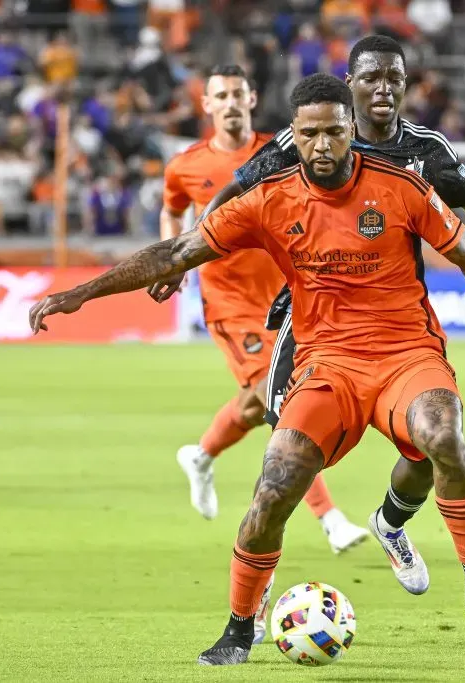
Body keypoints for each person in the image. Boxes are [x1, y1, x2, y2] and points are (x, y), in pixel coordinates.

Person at [28, 73, 465, 666]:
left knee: (443, 436)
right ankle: (239, 628)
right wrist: (80, 295)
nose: (322, 146)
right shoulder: (270, 198)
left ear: (352, 128)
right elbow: (176, 251)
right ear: (292, 137)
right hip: (326, 365)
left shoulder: (401, 186)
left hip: (407, 354)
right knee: (273, 489)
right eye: (308, 135)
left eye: (332, 132)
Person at [148, 34, 465, 597]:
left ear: (406, 84)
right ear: (352, 84)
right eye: (371, 77)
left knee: (432, 446)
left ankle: (390, 523)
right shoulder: (307, 137)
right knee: (282, 449)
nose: (382, 88)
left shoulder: (423, 149)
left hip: (392, 324)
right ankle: (261, 580)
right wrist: (187, 250)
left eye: (393, 77)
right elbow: (236, 193)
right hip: (310, 319)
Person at [159, 64, 369, 553]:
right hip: (228, 301)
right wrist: (176, 255)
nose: (230, 102)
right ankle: (330, 518)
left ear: (252, 99)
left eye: (238, 93)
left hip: (286, 297)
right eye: (220, 95)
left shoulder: (282, 149)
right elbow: (172, 208)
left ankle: (200, 453)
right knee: (280, 403)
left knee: (258, 404)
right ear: (206, 105)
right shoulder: (184, 165)